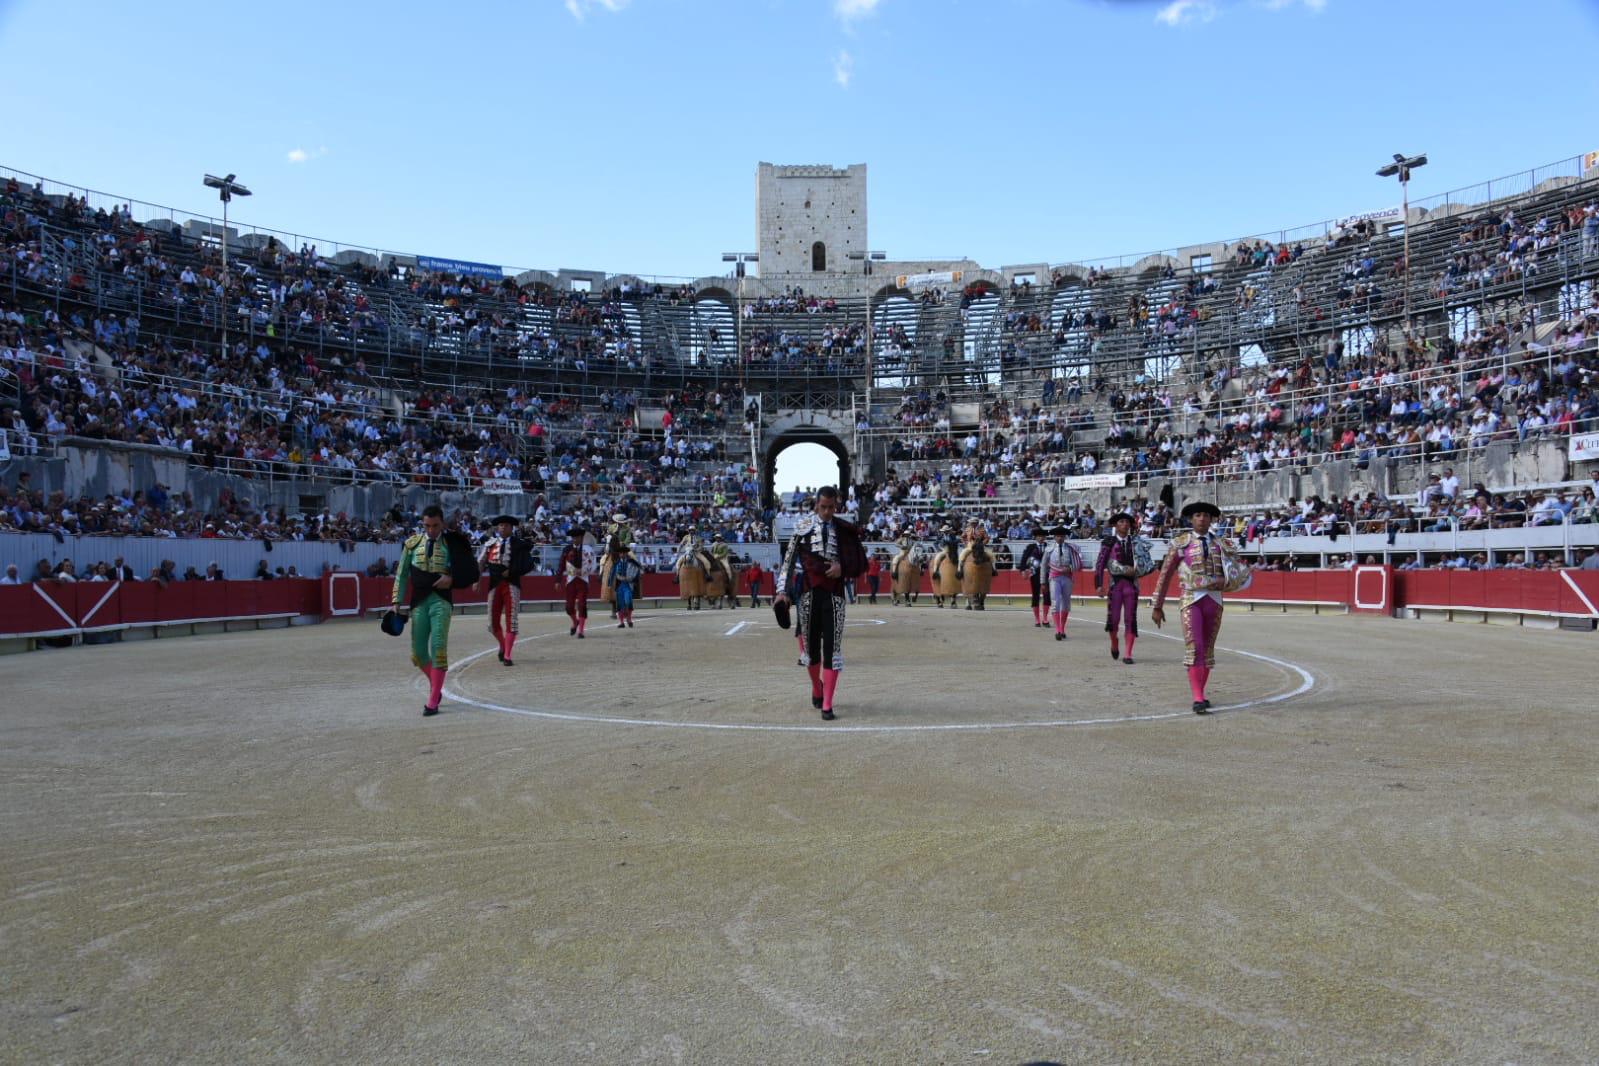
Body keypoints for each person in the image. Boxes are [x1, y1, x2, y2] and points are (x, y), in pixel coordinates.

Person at [775, 486, 866, 721]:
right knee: (811, 649)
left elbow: (859, 563)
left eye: (831, 507)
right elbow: (788, 562)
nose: (827, 512)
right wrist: (782, 592)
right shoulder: (802, 527)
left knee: (832, 650)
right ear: (816, 504)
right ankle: (817, 686)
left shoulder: (844, 530)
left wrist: (842, 568)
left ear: (836, 506)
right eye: (823, 507)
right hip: (808, 594)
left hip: (834, 595)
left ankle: (827, 703)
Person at [1151, 500, 1237, 715]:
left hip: (1215, 600)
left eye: (1206, 516)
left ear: (1211, 519)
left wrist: (1226, 582)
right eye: (1198, 515)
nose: (1202, 519)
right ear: (1191, 519)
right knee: (1195, 647)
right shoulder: (1181, 543)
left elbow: (1236, 574)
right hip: (1191, 599)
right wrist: (1157, 605)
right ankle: (1198, 697)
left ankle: (1201, 692)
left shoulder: (1222, 544)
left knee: (1207, 650)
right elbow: (1165, 574)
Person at [391, 504, 478, 717]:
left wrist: (453, 579)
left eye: (435, 525)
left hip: (441, 601)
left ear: (442, 524)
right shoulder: (412, 545)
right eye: (427, 526)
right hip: (419, 602)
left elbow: (469, 570)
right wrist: (396, 600)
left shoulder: (452, 543)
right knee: (418, 654)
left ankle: (432, 701)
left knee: (438, 647)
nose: (431, 530)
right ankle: (436, 687)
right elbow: (402, 574)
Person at [1094, 512, 1154, 664]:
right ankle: (1114, 642)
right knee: (1113, 620)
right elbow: (1100, 564)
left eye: (1127, 522)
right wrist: (1099, 585)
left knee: (1130, 619)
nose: (1125, 524)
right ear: (1115, 525)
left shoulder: (1136, 542)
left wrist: (1141, 569)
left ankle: (1128, 654)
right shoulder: (1109, 542)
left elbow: (1147, 563)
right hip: (1115, 586)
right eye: (1121, 522)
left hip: (1132, 585)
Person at [478, 514, 532, 664]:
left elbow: (528, 564)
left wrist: (513, 571)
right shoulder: (490, 544)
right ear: (497, 527)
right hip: (494, 585)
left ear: (511, 527)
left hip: (511, 584)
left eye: (506, 525)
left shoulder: (519, 544)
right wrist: (477, 579)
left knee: (512, 621)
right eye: (501, 525)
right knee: (492, 623)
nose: (503, 527)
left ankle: (507, 655)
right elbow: (481, 562)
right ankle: (502, 645)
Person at [1042, 526, 1083, 641]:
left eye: (1061, 536)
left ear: (1064, 537)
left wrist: (1070, 568)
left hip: (1067, 578)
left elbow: (1077, 563)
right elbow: (1043, 565)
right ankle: (1058, 630)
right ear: (1054, 537)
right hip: (1054, 578)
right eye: (1057, 536)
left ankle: (1063, 629)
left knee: (1065, 603)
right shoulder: (1049, 549)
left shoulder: (1071, 549)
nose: (1059, 538)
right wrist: (1042, 582)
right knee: (1056, 602)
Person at [558, 525, 595, 638]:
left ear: (581, 538)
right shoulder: (567, 549)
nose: (575, 539)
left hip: (583, 580)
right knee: (569, 607)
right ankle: (575, 622)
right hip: (570, 580)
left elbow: (592, 565)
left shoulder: (588, 549)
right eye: (573, 538)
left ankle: (581, 631)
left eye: (577, 537)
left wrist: (584, 571)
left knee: (582, 605)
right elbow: (561, 565)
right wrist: (557, 580)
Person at [1019, 526, 1050, 628]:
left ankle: (1045, 619)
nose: (1041, 538)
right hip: (1035, 574)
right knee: (1035, 595)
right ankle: (1037, 619)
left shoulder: (1049, 547)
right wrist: (1022, 570)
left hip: (1047, 574)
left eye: (1043, 536)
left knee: (1047, 595)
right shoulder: (1030, 547)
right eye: (1039, 536)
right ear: (1035, 537)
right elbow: (1023, 559)